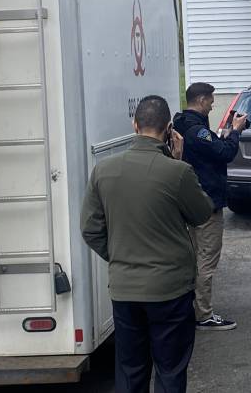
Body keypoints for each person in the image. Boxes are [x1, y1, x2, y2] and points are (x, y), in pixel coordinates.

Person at [81, 95, 213, 393]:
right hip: (170, 290)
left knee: (130, 372)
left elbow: (90, 228)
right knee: (170, 371)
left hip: (125, 289)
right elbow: (202, 213)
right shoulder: (177, 172)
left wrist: (118, 255)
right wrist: (178, 160)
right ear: (169, 129)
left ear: (135, 125)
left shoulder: (103, 170)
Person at [173, 82, 248, 331]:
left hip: (189, 202)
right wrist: (236, 131)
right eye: (212, 100)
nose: (214, 104)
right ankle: (203, 315)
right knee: (207, 260)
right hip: (207, 204)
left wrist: (226, 133)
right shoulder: (197, 131)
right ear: (202, 100)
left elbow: (212, 148)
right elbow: (224, 153)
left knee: (193, 258)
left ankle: (192, 309)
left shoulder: (182, 124)